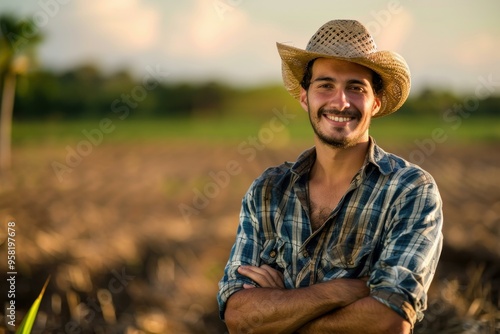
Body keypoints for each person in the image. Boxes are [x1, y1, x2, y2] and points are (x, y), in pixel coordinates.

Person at [217, 19, 443, 333]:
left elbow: (390, 320)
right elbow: (239, 317)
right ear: (304, 96)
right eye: (326, 85)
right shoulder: (267, 192)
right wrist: (346, 290)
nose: (341, 101)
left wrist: (281, 311)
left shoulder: (409, 191)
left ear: (375, 102)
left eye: (356, 87)